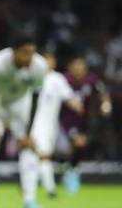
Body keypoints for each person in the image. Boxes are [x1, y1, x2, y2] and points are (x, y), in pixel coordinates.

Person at [0, 34, 48, 208]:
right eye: (24, 53)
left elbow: (36, 98)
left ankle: (30, 200)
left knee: (29, 147)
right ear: (13, 51)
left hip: (20, 105)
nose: (29, 58)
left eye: (31, 53)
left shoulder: (39, 66)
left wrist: (28, 133)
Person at [29, 52, 82, 199]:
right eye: (45, 60)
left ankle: (29, 184)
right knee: (43, 155)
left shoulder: (57, 79)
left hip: (52, 124)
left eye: (50, 60)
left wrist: (77, 105)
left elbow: (68, 96)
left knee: (42, 156)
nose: (48, 62)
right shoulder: (32, 77)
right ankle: (50, 189)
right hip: (35, 123)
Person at [61, 55, 113, 194]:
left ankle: (71, 172)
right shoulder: (63, 80)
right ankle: (70, 173)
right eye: (76, 66)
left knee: (80, 145)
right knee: (76, 143)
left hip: (86, 121)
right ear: (70, 67)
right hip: (65, 121)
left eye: (82, 67)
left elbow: (104, 93)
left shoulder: (92, 80)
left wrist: (106, 104)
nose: (79, 70)